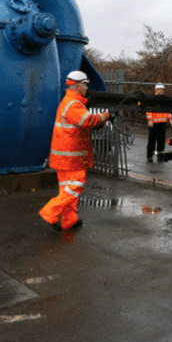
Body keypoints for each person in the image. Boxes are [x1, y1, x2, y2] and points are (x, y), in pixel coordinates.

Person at [39, 70, 111, 231]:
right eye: (85, 85)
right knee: (76, 184)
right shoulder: (73, 104)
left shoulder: (69, 102)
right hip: (71, 156)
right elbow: (88, 120)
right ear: (77, 86)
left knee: (67, 189)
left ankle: (69, 220)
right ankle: (50, 212)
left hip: (64, 155)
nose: (87, 88)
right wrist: (106, 116)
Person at [145, 83, 172, 162]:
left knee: (161, 140)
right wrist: (150, 120)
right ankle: (150, 156)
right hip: (154, 123)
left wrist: (170, 119)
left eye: (162, 89)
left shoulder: (164, 99)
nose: (161, 90)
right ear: (156, 89)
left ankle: (160, 156)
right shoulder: (153, 99)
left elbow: (167, 109)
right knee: (152, 140)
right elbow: (149, 111)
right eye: (160, 89)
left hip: (162, 123)